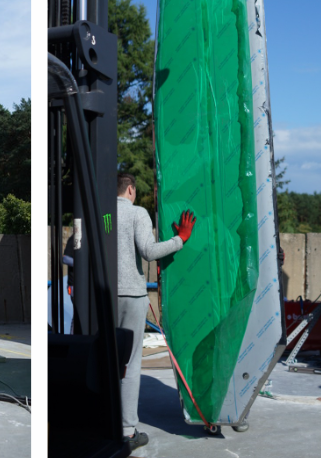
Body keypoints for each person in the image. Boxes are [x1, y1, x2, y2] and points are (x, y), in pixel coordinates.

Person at [115, 173, 196, 450]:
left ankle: (104, 419)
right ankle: (127, 430)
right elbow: (148, 251)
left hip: (104, 296)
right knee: (131, 363)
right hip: (131, 296)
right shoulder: (138, 213)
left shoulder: (104, 215)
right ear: (130, 189)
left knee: (108, 361)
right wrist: (180, 239)